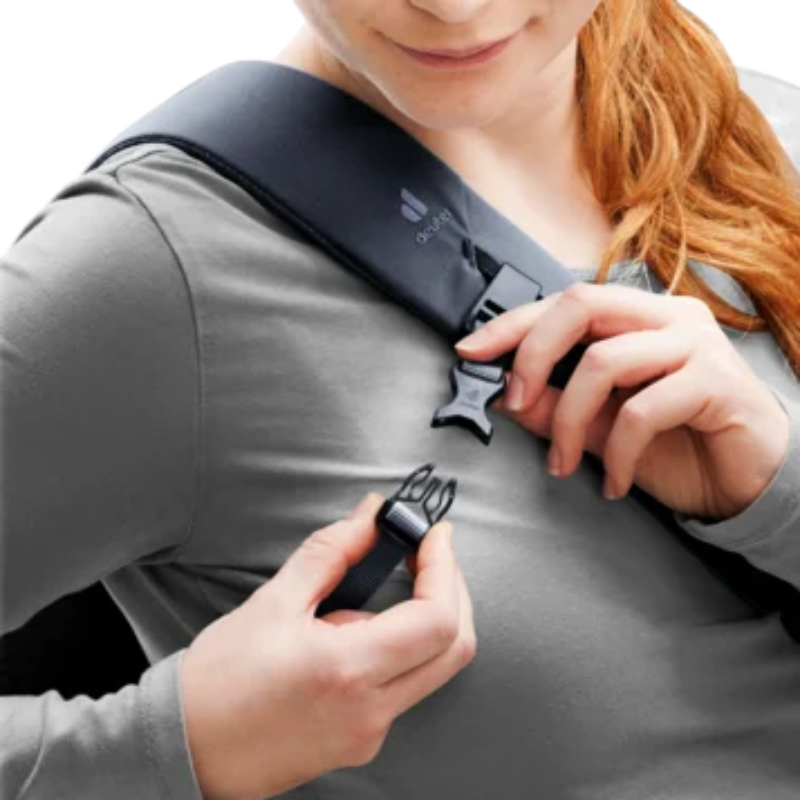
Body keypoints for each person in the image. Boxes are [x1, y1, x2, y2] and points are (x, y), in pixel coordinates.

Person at [3, 1, 800, 798]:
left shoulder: (766, 127)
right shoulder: (144, 266)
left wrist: (780, 494)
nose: (453, 6)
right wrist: (182, 746)